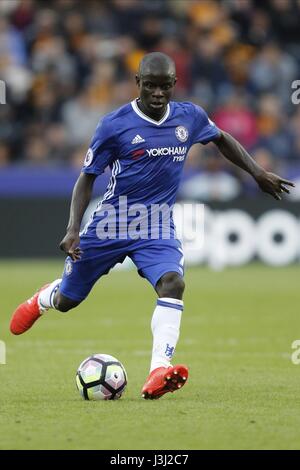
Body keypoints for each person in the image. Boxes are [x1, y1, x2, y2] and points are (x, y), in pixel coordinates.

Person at [10, 52, 294, 399]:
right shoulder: (114, 125)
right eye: (150, 86)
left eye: (164, 87)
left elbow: (221, 139)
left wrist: (257, 172)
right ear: (137, 84)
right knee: (70, 300)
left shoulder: (189, 117)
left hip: (156, 225)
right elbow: (86, 178)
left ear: (174, 84)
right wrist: (72, 229)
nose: (158, 94)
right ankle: (44, 298)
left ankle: (158, 369)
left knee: (173, 283)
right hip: (112, 222)